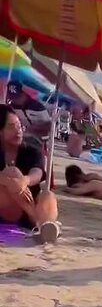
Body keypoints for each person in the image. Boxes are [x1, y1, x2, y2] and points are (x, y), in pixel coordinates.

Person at [0, 104, 60, 243]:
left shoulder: (31, 149)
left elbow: (37, 172)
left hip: (30, 200)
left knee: (48, 195)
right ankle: (37, 219)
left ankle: (46, 226)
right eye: (11, 127)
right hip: (7, 208)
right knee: (12, 172)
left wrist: (24, 181)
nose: (18, 131)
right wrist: (9, 181)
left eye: (19, 126)